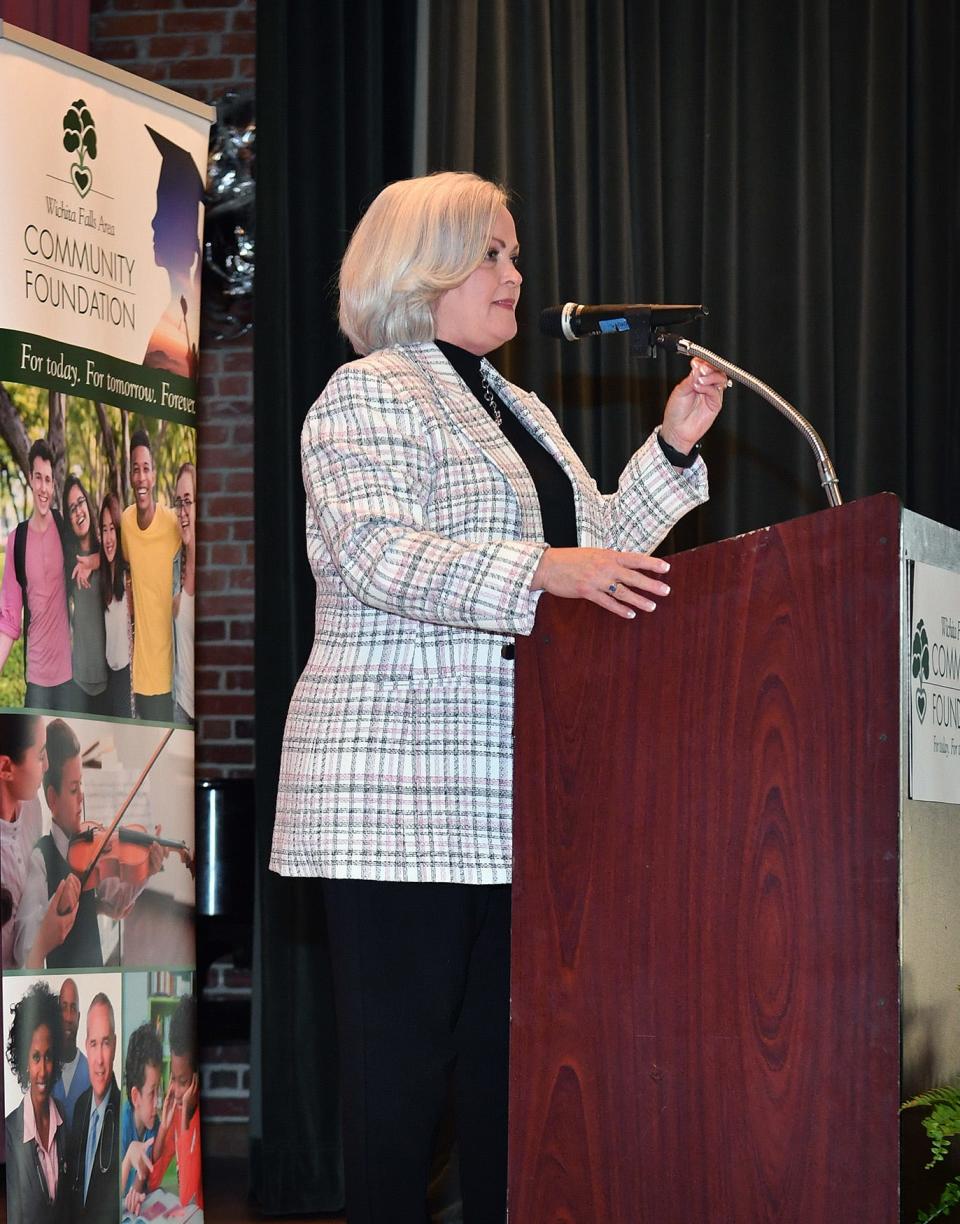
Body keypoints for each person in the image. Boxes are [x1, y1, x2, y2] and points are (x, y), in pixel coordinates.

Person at [270, 172, 727, 1222]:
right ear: (421, 267)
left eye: (514, 254)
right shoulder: (369, 392)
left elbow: (592, 553)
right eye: (493, 254)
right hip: (392, 803)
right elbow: (380, 554)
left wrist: (672, 447)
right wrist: (539, 570)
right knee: (398, 1101)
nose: (516, 275)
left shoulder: (517, 404)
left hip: (508, 802)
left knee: (503, 1089)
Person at [16, 717, 163, 968]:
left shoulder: (91, 847)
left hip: (96, 967)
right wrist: (57, 908)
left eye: (81, 784)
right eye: (74, 789)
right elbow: (24, 946)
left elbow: (118, 897)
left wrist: (146, 870)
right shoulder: (41, 858)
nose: (82, 797)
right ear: (52, 799)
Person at [1, 713, 79, 971]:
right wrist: (43, 944)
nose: (46, 766)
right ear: (5, 768)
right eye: (40, 755)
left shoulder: (32, 806)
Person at [0, 438, 73, 709]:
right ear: (31, 478)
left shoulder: (64, 529)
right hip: (36, 679)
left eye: (49, 480)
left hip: (68, 677)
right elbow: (8, 619)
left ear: (54, 484)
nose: (44, 487)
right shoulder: (16, 540)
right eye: (39, 478)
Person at [121, 429, 181, 721]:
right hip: (143, 678)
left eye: (146, 469)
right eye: (136, 469)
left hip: (174, 678)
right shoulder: (126, 523)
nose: (141, 477)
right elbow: (121, 565)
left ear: (154, 475)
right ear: (131, 476)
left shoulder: (172, 524)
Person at [3, 981, 69, 1224]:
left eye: (49, 1056)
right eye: (35, 1057)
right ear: (24, 1063)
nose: (42, 1070)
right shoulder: (9, 1133)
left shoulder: (63, 1119)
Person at [64, 992, 121, 1223]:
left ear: (115, 1046)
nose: (98, 1059)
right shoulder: (79, 1107)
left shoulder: (124, 1111)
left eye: (106, 1043)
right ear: (86, 1046)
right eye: (94, 1044)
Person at [145, 995, 203, 1210]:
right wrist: (165, 1128)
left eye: (184, 1082)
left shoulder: (192, 1118)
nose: (177, 1092)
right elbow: (151, 1181)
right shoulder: (177, 1112)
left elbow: (187, 1195)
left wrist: (186, 1123)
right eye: (173, 1079)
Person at [62, 474, 108, 714]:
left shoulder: (107, 549)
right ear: (68, 520)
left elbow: (123, 559)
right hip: (79, 679)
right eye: (71, 508)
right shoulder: (68, 560)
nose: (78, 511)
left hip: (110, 678)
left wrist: (94, 561)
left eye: (80, 502)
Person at [120, 1022, 165, 1213]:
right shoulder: (119, 1127)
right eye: (152, 1093)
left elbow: (145, 1183)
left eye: (159, 1090)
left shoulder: (153, 1124)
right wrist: (129, 1159)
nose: (158, 1102)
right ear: (136, 1096)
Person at [98, 493, 134, 718]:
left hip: (126, 679)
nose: (109, 537)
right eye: (104, 529)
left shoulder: (128, 577)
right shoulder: (101, 579)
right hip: (106, 677)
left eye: (112, 528)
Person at [172, 462, 196, 725]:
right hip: (180, 708)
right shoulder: (175, 564)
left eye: (188, 501)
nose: (182, 511)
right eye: (178, 503)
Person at [52, 977, 90, 1128]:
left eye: (73, 1009)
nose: (68, 1017)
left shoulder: (91, 1073)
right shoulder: (45, 1070)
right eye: (63, 1008)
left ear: (79, 1017)